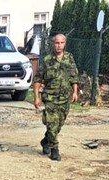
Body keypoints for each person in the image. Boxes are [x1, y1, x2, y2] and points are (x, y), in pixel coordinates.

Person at [32, 33, 80, 162]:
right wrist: (36, 97)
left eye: (61, 43)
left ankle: (46, 141)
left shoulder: (69, 58)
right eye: (56, 43)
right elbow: (37, 79)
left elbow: (74, 75)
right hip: (50, 98)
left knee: (58, 124)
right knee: (52, 124)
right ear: (53, 44)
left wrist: (74, 91)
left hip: (64, 98)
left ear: (65, 44)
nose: (59, 46)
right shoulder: (47, 60)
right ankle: (55, 150)